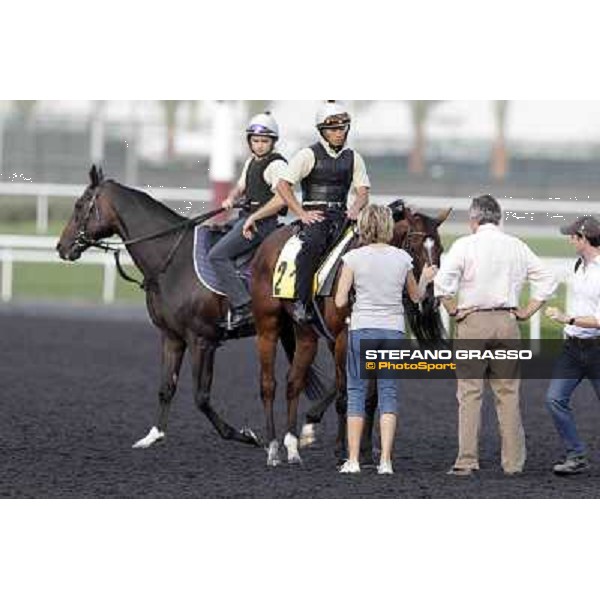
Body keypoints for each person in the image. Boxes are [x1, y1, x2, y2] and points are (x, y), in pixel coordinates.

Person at [434, 194, 557, 476]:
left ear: (474, 219)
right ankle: (513, 464)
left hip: (473, 322)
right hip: (507, 322)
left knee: (470, 394)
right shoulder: (516, 245)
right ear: (498, 218)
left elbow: (442, 285)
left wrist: (454, 311)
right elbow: (547, 280)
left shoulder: (465, 244)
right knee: (508, 395)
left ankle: (466, 461)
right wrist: (527, 311)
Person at [335, 205, 438, 475]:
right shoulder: (403, 258)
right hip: (393, 331)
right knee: (388, 394)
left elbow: (340, 300)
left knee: (356, 393)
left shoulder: (353, 258)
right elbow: (416, 298)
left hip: (362, 329)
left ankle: (354, 460)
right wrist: (425, 278)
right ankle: (386, 462)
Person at [276, 101, 371, 324]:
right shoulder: (307, 155)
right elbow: (282, 185)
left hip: (343, 215)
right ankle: (301, 302)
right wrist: (301, 213)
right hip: (315, 215)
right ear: (322, 131)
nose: (339, 134)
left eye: (343, 128)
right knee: (313, 245)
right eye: (334, 130)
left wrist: (356, 208)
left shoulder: (354, 157)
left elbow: (363, 192)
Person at [208, 112, 287, 329]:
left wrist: (253, 217)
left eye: (264, 141)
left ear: (273, 142)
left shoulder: (277, 165)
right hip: (246, 218)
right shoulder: (252, 161)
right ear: (249, 141)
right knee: (213, 233)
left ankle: (243, 307)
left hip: (264, 224)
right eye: (255, 141)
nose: (260, 145)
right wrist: (231, 198)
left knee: (216, 256)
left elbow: (281, 200)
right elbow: (241, 187)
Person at [544, 216, 600, 475]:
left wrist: (569, 318)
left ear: (585, 238)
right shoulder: (578, 265)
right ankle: (576, 455)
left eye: (573, 236)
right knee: (555, 399)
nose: (569, 240)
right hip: (572, 349)